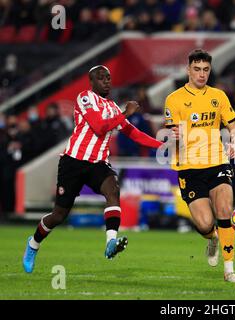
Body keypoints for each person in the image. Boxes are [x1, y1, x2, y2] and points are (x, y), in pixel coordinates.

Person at [23, 65, 163, 273]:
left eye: (108, 77)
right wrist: (126, 112)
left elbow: (134, 134)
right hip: (74, 162)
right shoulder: (85, 98)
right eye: (101, 77)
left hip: (98, 163)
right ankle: (33, 244)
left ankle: (110, 242)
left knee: (113, 191)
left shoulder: (113, 107)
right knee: (59, 215)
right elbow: (99, 127)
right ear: (92, 82)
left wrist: (163, 146)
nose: (106, 80)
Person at [164, 49, 235, 282]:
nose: (201, 74)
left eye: (206, 70)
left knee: (225, 211)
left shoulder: (219, 96)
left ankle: (229, 270)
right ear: (188, 70)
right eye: (197, 69)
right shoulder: (174, 99)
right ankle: (212, 238)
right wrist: (174, 136)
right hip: (188, 167)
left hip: (217, 161)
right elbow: (170, 134)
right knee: (205, 224)